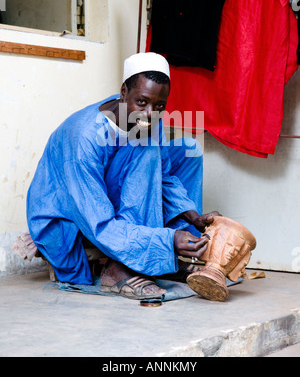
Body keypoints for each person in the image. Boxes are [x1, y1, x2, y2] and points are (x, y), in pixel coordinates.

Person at [27, 52, 219, 299]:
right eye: (142, 102)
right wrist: (167, 240)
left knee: (189, 149)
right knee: (146, 153)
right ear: (123, 92)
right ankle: (122, 267)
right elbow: (99, 223)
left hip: (109, 194)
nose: (150, 113)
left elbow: (164, 175)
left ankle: (166, 252)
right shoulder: (85, 137)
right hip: (68, 218)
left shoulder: (146, 118)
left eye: (160, 106)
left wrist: (193, 216)